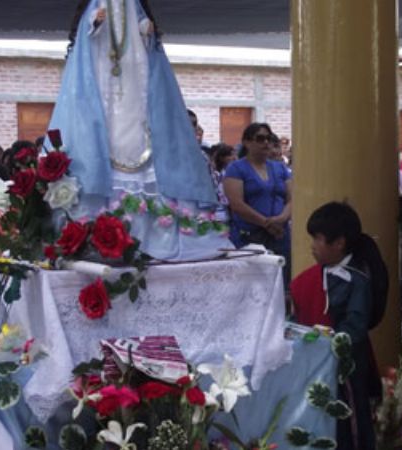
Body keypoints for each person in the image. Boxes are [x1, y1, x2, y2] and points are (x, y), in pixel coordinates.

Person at [49, 0, 229, 261]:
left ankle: (162, 233)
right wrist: (94, 24)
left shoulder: (134, 6)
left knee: (140, 123)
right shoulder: (95, 5)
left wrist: (145, 29)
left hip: (134, 84)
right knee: (103, 129)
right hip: (102, 83)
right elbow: (84, 47)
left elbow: (146, 47)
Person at [290, 201, 387, 450]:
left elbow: (355, 323)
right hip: (324, 358)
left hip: (348, 364)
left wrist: (333, 342)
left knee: (350, 419)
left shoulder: (358, 280)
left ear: (339, 243)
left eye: (317, 239)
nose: (312, 246)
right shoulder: (325, 272)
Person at [224, 123, 292, 282]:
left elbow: (292, 199)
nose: (266, 143)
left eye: (269, 139)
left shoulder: (280, 168)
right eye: (260, 139)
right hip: (250, 236)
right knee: (253, 282)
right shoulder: (236, 168)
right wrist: (266, 223)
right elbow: (237, 205)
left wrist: (281, 219)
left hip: (280, 234)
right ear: (247, 142)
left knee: (282, 280)